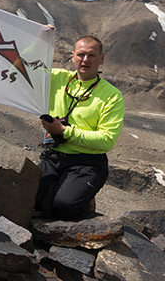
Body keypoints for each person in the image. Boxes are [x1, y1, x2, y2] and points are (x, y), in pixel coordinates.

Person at [34, 35, 124, 219]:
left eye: (91, 55)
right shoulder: (57, 78)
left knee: (64, 206)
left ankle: (81, 199)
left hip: (88, 162)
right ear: (72, 56)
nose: (85, 60)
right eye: (81, 54)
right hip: (54, 156)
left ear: (102, 58)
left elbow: (107, 141)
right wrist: (39, 41)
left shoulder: (112, 96)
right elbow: (20, 69)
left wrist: (65, 132)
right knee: (29, 200)